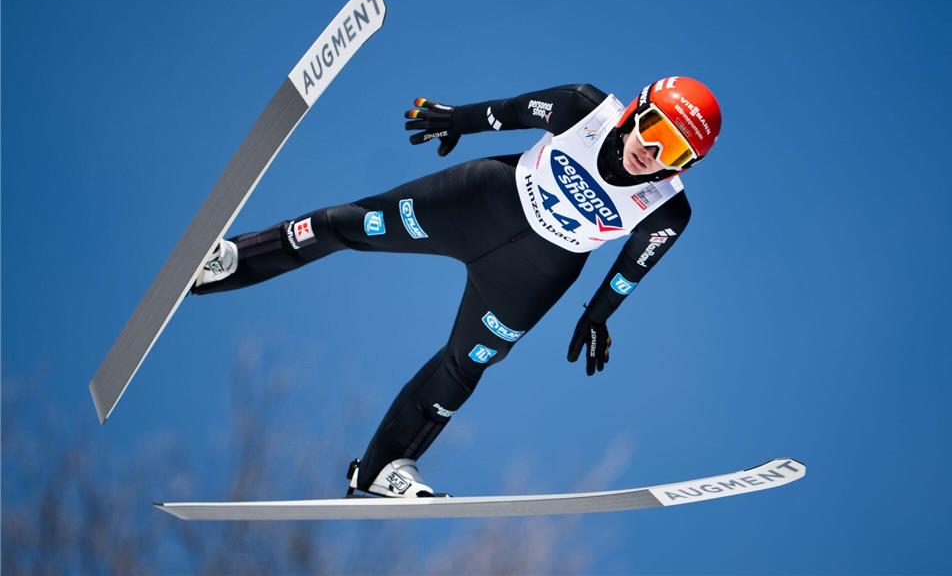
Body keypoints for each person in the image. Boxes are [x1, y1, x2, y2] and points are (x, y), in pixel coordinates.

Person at [192, 76, 722, 498]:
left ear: (685, 166)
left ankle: (381, 471)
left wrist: (600, 313)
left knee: (465, 365)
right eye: (652, 131)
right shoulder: (583, 108)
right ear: (635, 111)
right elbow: (510, 112)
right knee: (344, 224)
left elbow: (632, 267)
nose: (651, 154)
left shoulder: (668, 210)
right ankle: (231, 260)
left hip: (533, 274)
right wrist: (454, 121)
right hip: (477, 202)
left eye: (673, 153)